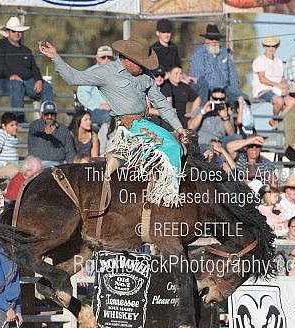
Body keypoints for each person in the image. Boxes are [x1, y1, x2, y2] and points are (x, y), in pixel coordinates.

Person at [40, 36, 186, 207]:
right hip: (127, 128)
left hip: (145, 125)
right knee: (173, 149)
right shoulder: (107, 72)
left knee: (181, 148)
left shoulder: (145, 75)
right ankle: (166, 199)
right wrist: (55, 58)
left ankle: (124, 159)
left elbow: (161, 102)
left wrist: (180, 128)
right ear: (127, 59)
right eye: (141, 62)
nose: (144, 67)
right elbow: (75, 78)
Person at [0, 17, 54, 122]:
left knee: (46, 86)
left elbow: (34, 67)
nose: (17, 33)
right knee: (17, 85)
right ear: (8, 32)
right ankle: (18, 117)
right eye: (14, 31)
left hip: (25, 82)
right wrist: (11, 76)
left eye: (19, 31)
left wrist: (38, 80)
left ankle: (48, 115)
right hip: (2, 81)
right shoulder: (0, 45)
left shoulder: (26, 50)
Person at [189, 24, 248, 105]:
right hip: (208, 89)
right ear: (206, 39)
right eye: (211, 39)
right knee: (205, 90)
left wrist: (234, 90)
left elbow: (233, 74)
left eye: (216, 39)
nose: (214, 41)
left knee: (243, 99)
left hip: (225, 88)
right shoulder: (199, 54)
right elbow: (198, 77)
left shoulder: (224, 53)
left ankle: (237, 116)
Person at [251, 34, 288, 130]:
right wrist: (279, 85)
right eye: (268, 46)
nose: (271, 48)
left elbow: (282, 78)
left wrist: (285, 87)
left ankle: (279, 121)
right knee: (279, 101)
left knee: (293, 101)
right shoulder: (260, 60)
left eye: (273, 46)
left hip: (277, 90)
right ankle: (275, 119)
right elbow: (262, 79)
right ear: (264, 47)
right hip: (263, 90)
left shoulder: (279, 61)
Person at [28, 101, 76, 167]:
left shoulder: (63, 129)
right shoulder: (35, 125)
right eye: (46, 114)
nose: (49, 117)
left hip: (58, 164)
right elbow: (36, 126)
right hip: (37, 164)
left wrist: (70, 164)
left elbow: (70, 150)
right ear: (41, 114)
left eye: (52, 114)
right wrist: (45, 128)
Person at [76, 45, 114, 127]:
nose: (107, 60)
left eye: (109, 57)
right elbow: (82, 94)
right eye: (103, 57)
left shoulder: (119, 73)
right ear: (97, 58)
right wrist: (99, 105)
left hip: (117, 109)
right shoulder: (90, 74)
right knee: (108, 118)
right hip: (96, 110)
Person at [167, 64, 201, 129]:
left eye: (181, 74)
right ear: (169, 73)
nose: (178, 76)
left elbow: (197, 99)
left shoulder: (185, 87)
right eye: (176, 74)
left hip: (182, 117)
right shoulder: (166, 86)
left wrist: (192, 113)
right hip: (170, 117)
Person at [0, 112, 19, 178]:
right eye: (12, 125)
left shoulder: (12, 136)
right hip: (4, 166)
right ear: (4, 126)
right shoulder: (1, 135)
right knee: (19, 175)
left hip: (12, 165)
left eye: (16, 124)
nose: (15, 127)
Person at [147, 65, 174, 131]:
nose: (159, 78)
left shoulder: (167, 87)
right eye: (156, 75)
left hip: (164, 116)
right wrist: (162, 112)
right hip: (152, 116)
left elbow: (169, 105)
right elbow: (147, 109)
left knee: (169, 125)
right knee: (155, 122)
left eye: (162, 76)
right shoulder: (148, 86)